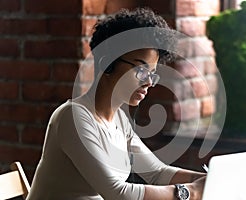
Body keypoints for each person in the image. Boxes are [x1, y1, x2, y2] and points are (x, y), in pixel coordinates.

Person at [27, 7, 206, 200]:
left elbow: (157, 173)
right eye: (141, 70)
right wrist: (192, 192)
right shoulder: (72, 117)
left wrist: (210, 180)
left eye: (152, 74)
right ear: (107, 63)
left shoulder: (119, 120)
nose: (148, 82)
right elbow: (118, 193)